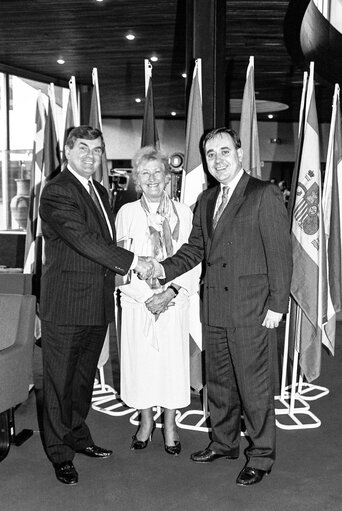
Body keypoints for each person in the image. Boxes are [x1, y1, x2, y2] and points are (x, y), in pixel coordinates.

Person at [148, 127, 292, 486]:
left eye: (224, 151)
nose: (218, 160)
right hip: (214, 307)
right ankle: (224, 442)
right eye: (211, 154)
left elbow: (280, 255)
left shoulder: (264, 194)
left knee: (254, 388)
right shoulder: (208, 200)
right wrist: (162, 268)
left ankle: (261, 455)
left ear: (240, 154)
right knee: (221, 384)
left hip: (252, 310)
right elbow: (195, 249)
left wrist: (277, 305)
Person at [39, 126, 153, 485]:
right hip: (66, 305)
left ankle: (77, 436)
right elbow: (83, 239)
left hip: (96, 302)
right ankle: (60, 454)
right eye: (84, 148)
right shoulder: (57, 191)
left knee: (83, 381)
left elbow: (103, 241)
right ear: (67, 151)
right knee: (59, 384)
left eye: (98, 150)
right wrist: (133, 261)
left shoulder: (101, 191)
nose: (92, 155)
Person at [115, 146, 200, 455]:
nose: (152, 179)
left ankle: (171, 423)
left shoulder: (184, 213)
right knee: (143, 365)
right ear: (137, 178)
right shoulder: (126, 213)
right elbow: (119, 263)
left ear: (168, 178)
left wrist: (170, 293)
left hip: (173, 302)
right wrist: (145, 296)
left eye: (158, 173)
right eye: (145, 173)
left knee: (170, 365)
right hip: (138, 304)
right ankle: (146, 421)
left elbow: (193, 260)